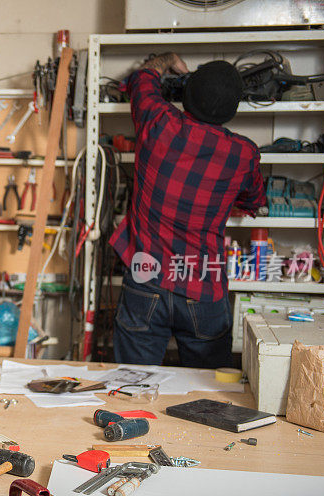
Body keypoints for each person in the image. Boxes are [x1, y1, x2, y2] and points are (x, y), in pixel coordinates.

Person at [111, 53, 266, 368]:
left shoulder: (158, 121)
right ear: (232, 109)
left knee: (132, 386)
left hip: (145, 280)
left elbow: (143, 78)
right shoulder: (243, 153)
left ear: (187, 92)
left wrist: (168, 60)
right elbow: (254, 202)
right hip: (202, 285)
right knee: (207, 397)